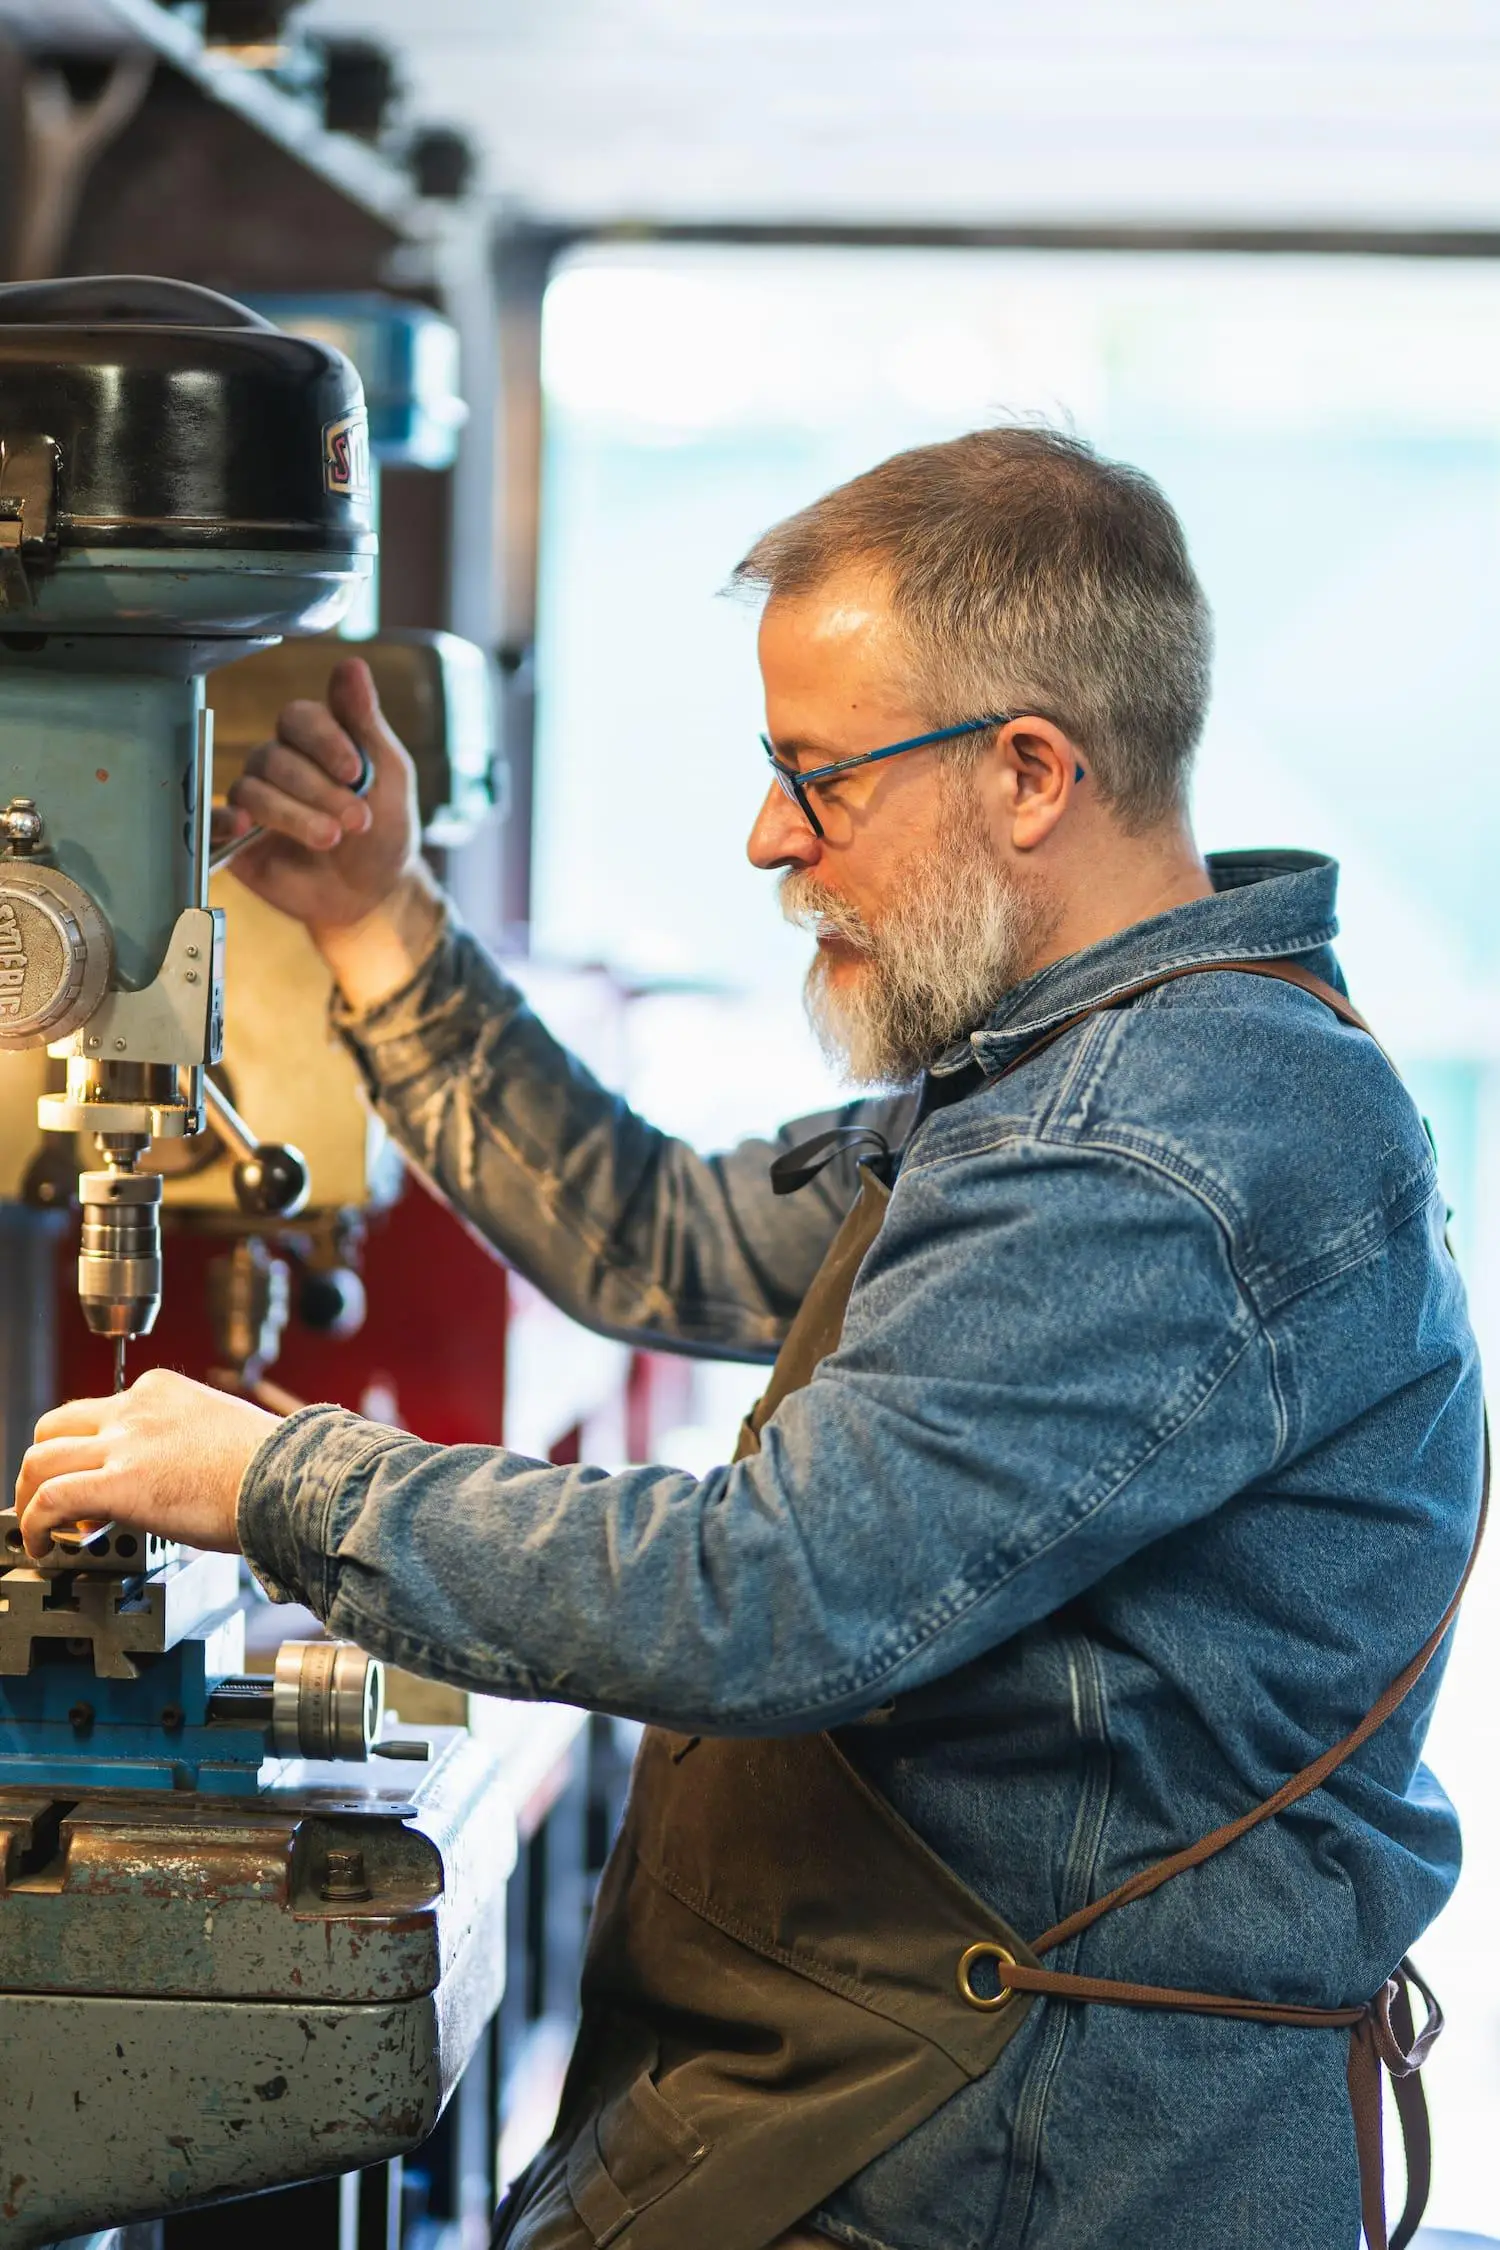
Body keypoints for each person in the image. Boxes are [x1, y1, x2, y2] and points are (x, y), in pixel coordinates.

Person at [14, 428, 1484, 2250]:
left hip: (1002, 2156)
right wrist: (378, 922)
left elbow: (774, 1592)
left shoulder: (1155, 1145)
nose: (771, 835)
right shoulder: (1077, 1072)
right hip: (906, 2098)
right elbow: (664, 1239)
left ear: (1030, 771)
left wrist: (281, 1476)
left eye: (821, 776)